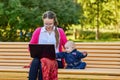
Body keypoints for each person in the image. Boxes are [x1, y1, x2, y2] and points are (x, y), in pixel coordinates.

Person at [28, 11, 67, 80]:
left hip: (56, 61)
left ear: (54, 21)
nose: (48, 26)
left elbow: (67, 46)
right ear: (43, 21)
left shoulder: (60, 31)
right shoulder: (38, 31)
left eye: (50, 24)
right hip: (41, 59)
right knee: (36, 60)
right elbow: (30, 47)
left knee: (42, 64)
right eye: (46, 24)